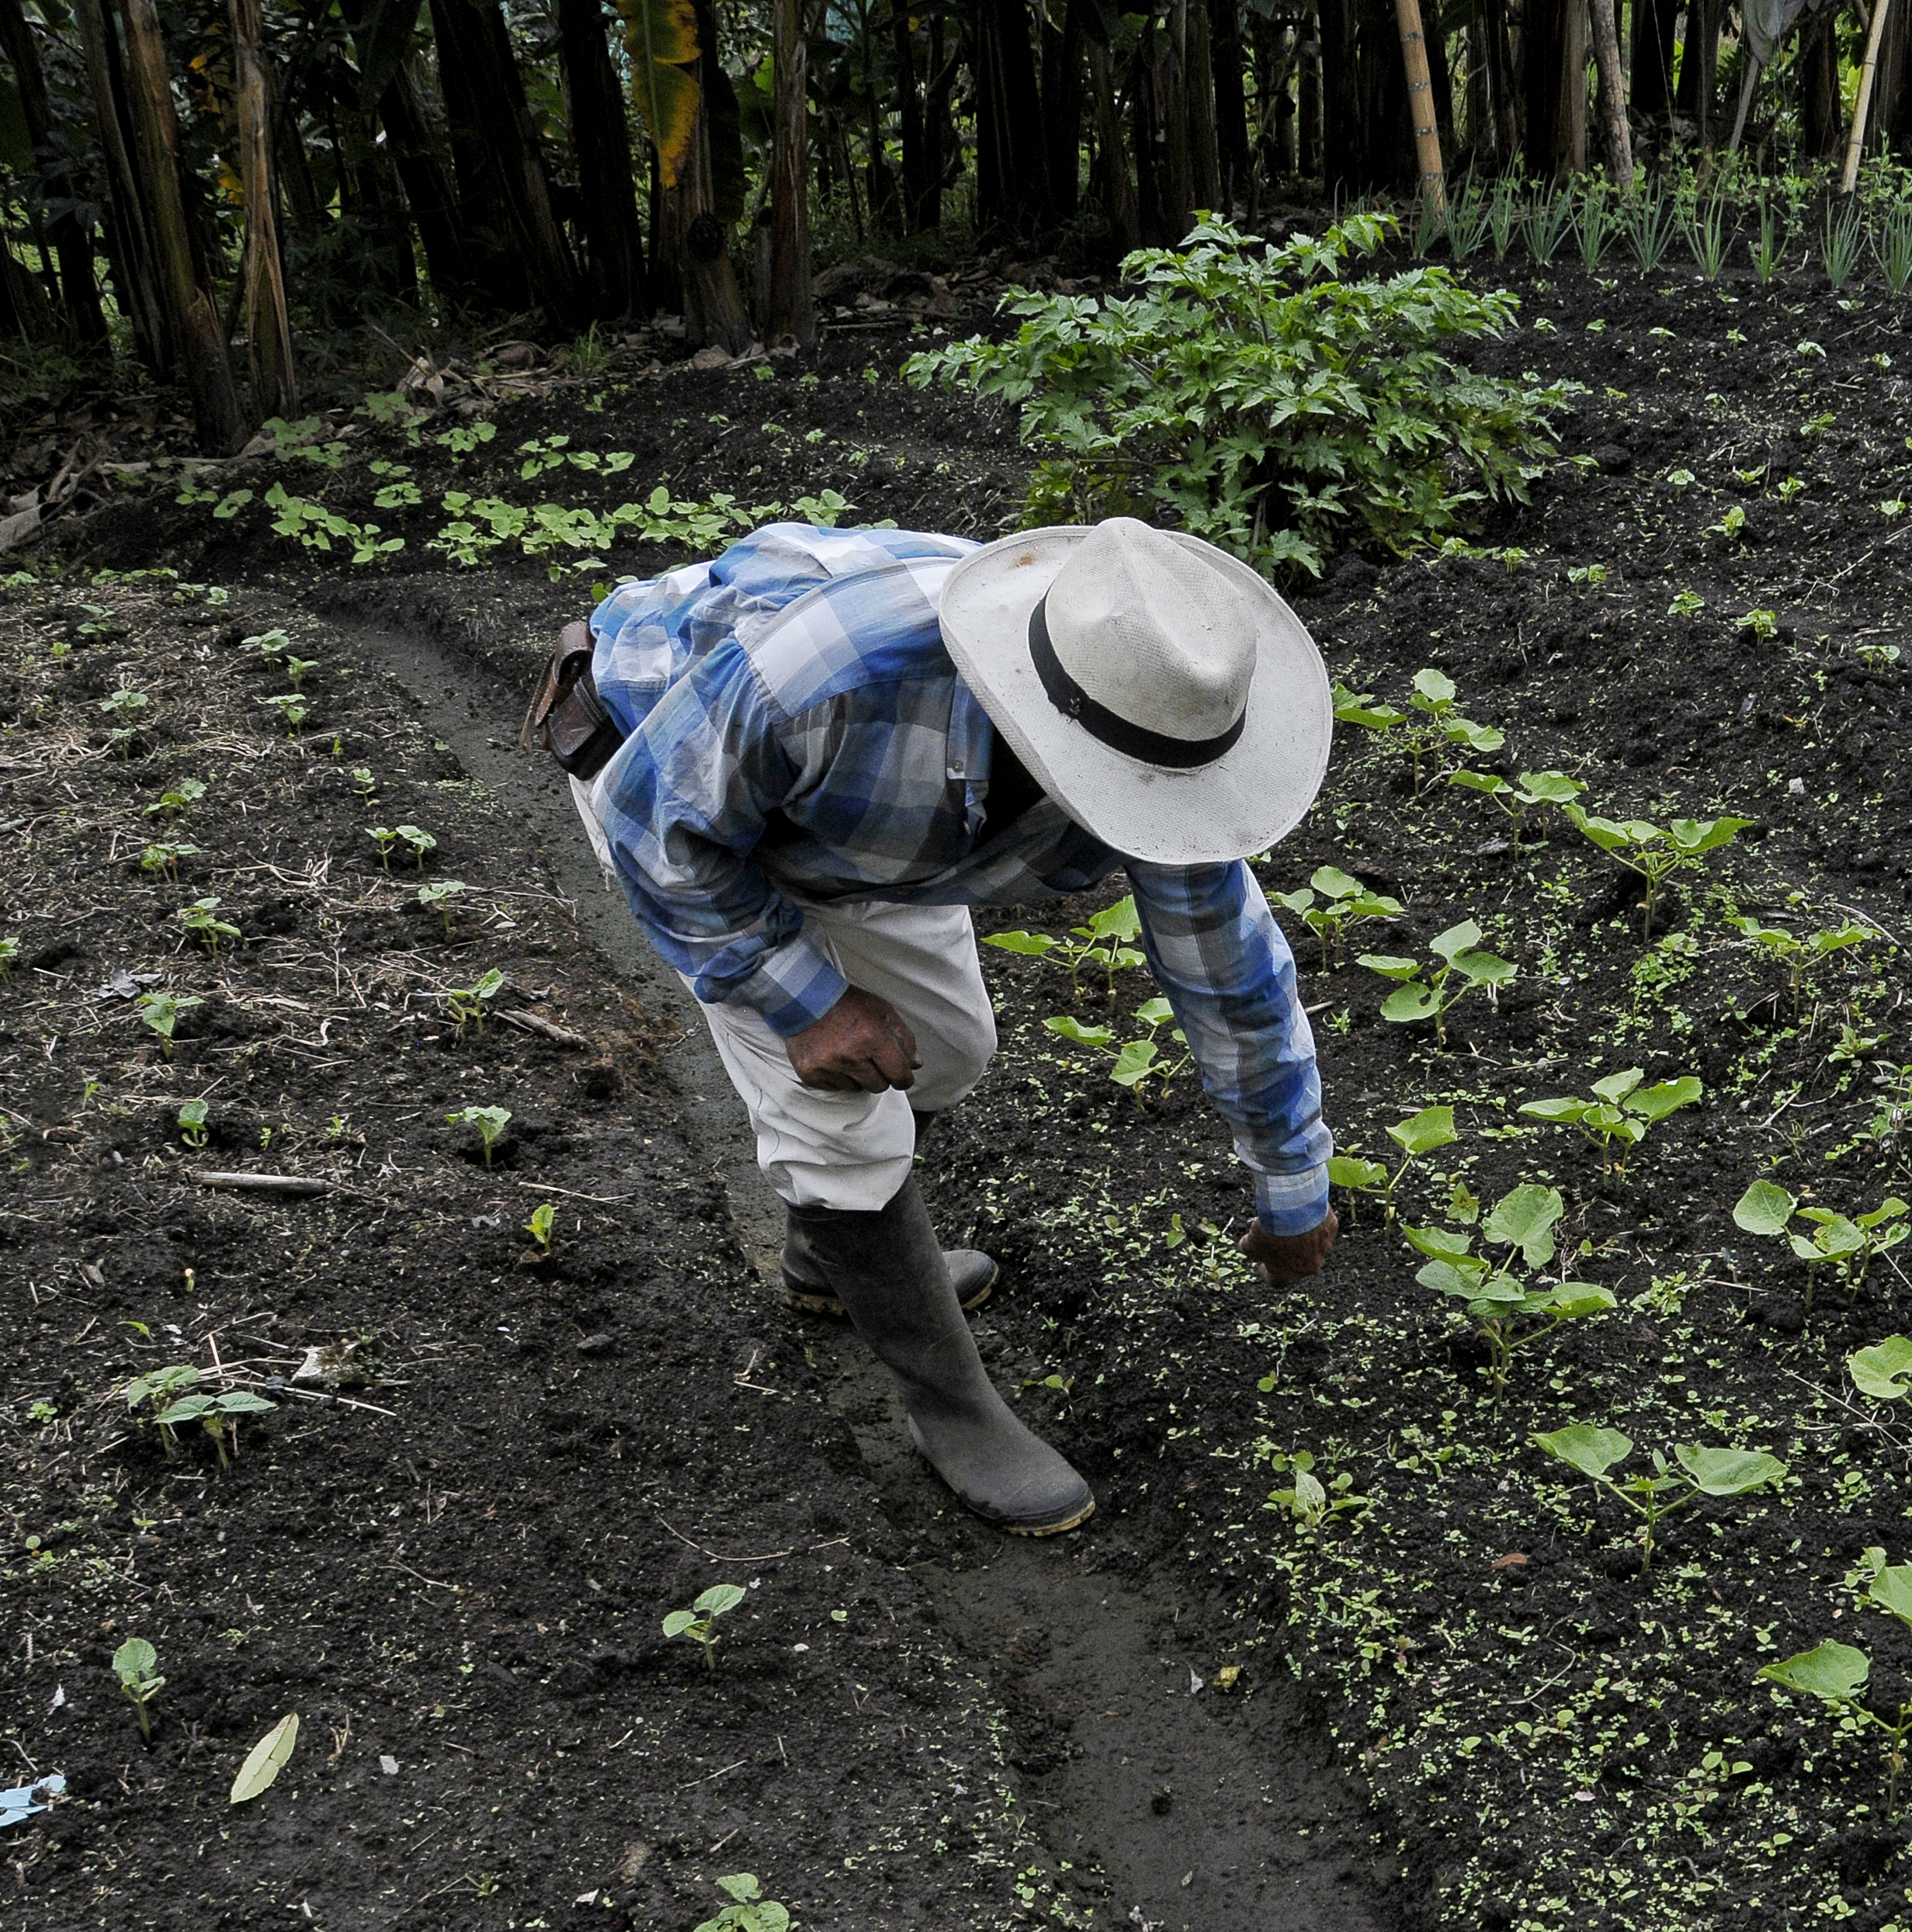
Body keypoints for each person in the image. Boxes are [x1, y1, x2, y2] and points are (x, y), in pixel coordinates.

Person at [522, 518, 1341, 1535]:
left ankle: (830, 1262)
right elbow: (662, 828)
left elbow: (1231, 975)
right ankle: (952, 1409)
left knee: (948, 1050)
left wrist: (1293, 1179)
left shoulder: (1151, 714)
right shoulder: (836, 678)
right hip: (668, 773)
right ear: (1038, 724)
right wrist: (810, 1003)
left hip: (859, 833)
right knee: (841, 1109)